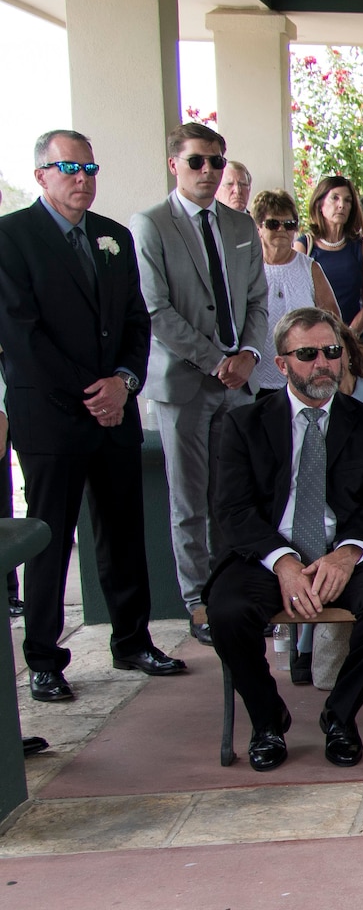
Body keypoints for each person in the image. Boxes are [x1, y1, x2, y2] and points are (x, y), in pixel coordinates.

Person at [0, 129, 185, 704]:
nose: (82, 178)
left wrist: (124, 382)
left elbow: (137, 319)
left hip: (114, 410)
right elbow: (20, 333)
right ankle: (45, 658)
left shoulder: (114, 237)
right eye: (68, 168)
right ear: (41, 176)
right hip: (51, 414)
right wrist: (92, 391)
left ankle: (132, 639)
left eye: (89, 168)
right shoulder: (11, 237)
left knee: (123, 528)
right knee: (49, 535)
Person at [206, 307, 363, 770]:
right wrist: (283, 562)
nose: (323, 362)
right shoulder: (244, 424)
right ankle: (266, 720)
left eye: (332, 352)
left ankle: (340, 716)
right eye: (308, 353)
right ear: (282, 364)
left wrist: (345, 555)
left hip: (344, 551)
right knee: (226, 611)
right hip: (267, 552)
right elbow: (233, 511)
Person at [131, 120, 271, 643]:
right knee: (189, 499)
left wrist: (250, 355)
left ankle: (232, 592)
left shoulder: (239, 226)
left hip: (239, 383)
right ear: (175, 164)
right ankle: (198, 603)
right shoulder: (150, 224)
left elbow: (257, 300)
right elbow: (155, 310)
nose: (208, 171)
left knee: (234, 494)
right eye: (196, 161)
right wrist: (218, 360)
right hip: (186, 384)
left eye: (216, 161)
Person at [250, 190, 338, 396]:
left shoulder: (310, 268)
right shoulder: (247, 269)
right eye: (273, 224)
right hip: (255, 375)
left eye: (289, 224)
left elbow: (332, 320)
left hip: (305, 376)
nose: (282, 229)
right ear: (258, 228)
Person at [303, 175, 363, 340]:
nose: (341, 205)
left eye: (348, 200)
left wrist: (348, 336)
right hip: (316, 339)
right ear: (319, 204)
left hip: (354, 337)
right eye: (334, 198)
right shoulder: (305, 247)